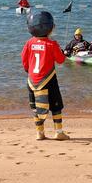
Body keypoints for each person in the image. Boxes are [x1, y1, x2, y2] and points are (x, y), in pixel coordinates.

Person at [21, 11, 69, 141]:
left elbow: (24, 60)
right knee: (56, 106)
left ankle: (39, 133)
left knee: (36, 107)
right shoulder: (51, 44)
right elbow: (60, 60)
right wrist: (61, 51)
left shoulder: (29, 43)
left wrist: (28, 71)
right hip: (48, 79)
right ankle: (59, 132)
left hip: (32, 80)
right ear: (49, 28)